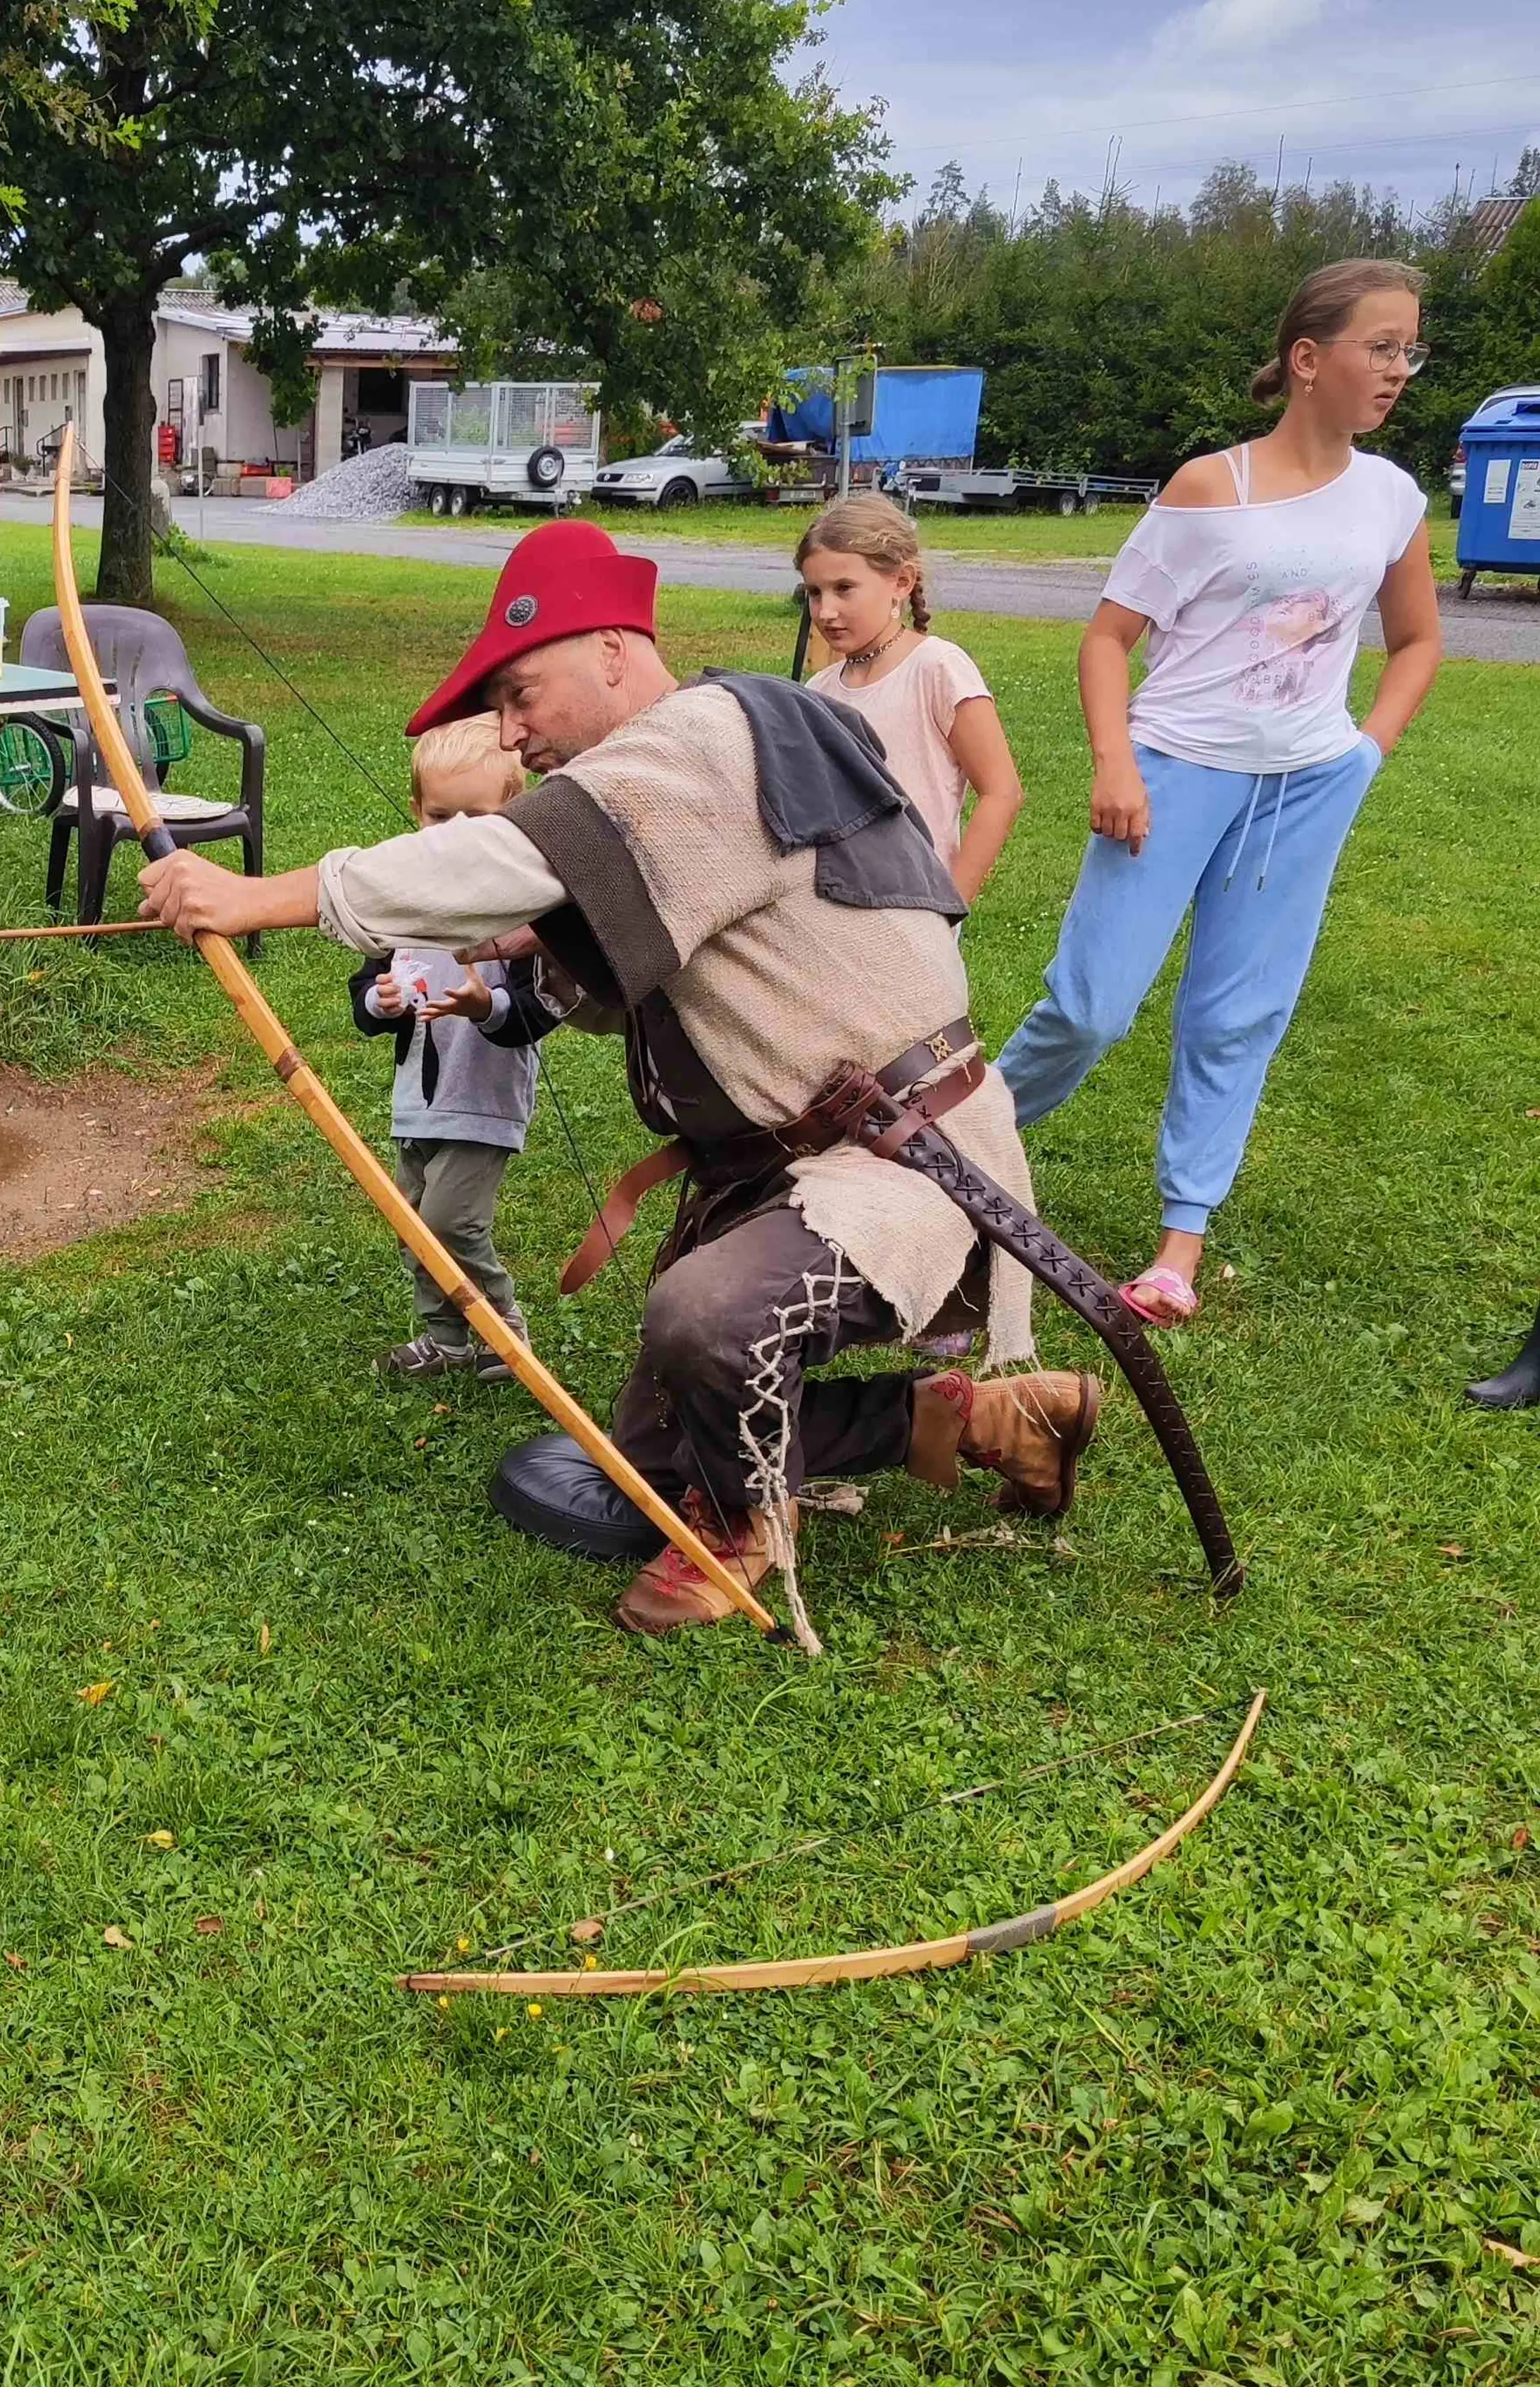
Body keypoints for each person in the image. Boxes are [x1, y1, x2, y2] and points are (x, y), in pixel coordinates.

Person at [137, 521, 1099, 1641]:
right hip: (805, 1160)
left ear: (607, 652)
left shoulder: (698, 737)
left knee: (705, 1322)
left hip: (899, 1159)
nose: (512, 731)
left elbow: (512, 856)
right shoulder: (690, 757)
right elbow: (607, 943)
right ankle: (979, 1424)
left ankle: (746, 1530)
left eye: (521, 693)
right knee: (650, 1453)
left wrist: (259, 896)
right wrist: (507, 952)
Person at [995, 260, 1442, 1325]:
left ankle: (1179, 1244)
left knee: (1240, 1014)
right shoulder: (1211, 488)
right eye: (1379, 347)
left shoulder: (1391, 497)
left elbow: (1420, 639)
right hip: (1174, 772)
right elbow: (1110, 641)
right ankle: (947, 1146)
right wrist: (1115, 761)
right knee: (1094, 1004)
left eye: (1408, 350)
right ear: (1306, 359)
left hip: (1304, 786)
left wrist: (1366, 749)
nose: (1398, 370)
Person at [347, 716, 560, 1380]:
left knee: (449, 1220)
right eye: (441, 815)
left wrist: (484, 1003)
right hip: (419, 1099)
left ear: (513, 811)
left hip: (484, 1100)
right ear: (416, 812)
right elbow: (368, 988)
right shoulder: (406, 899)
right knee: (418, 1227)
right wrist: (377, 1003)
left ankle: (504, 1333)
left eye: (478, 815)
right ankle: (448, 1340)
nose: (458, 832)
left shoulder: (518, 906)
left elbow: (537, 1010)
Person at [795, 500, 1024, 899]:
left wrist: (950, 902)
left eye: (844, 589)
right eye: (815, 593)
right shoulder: (819, 690)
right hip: (836, 912)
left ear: (901, 582)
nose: (826, 611)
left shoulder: (937, 668)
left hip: (916, 910)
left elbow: (1001, 792)